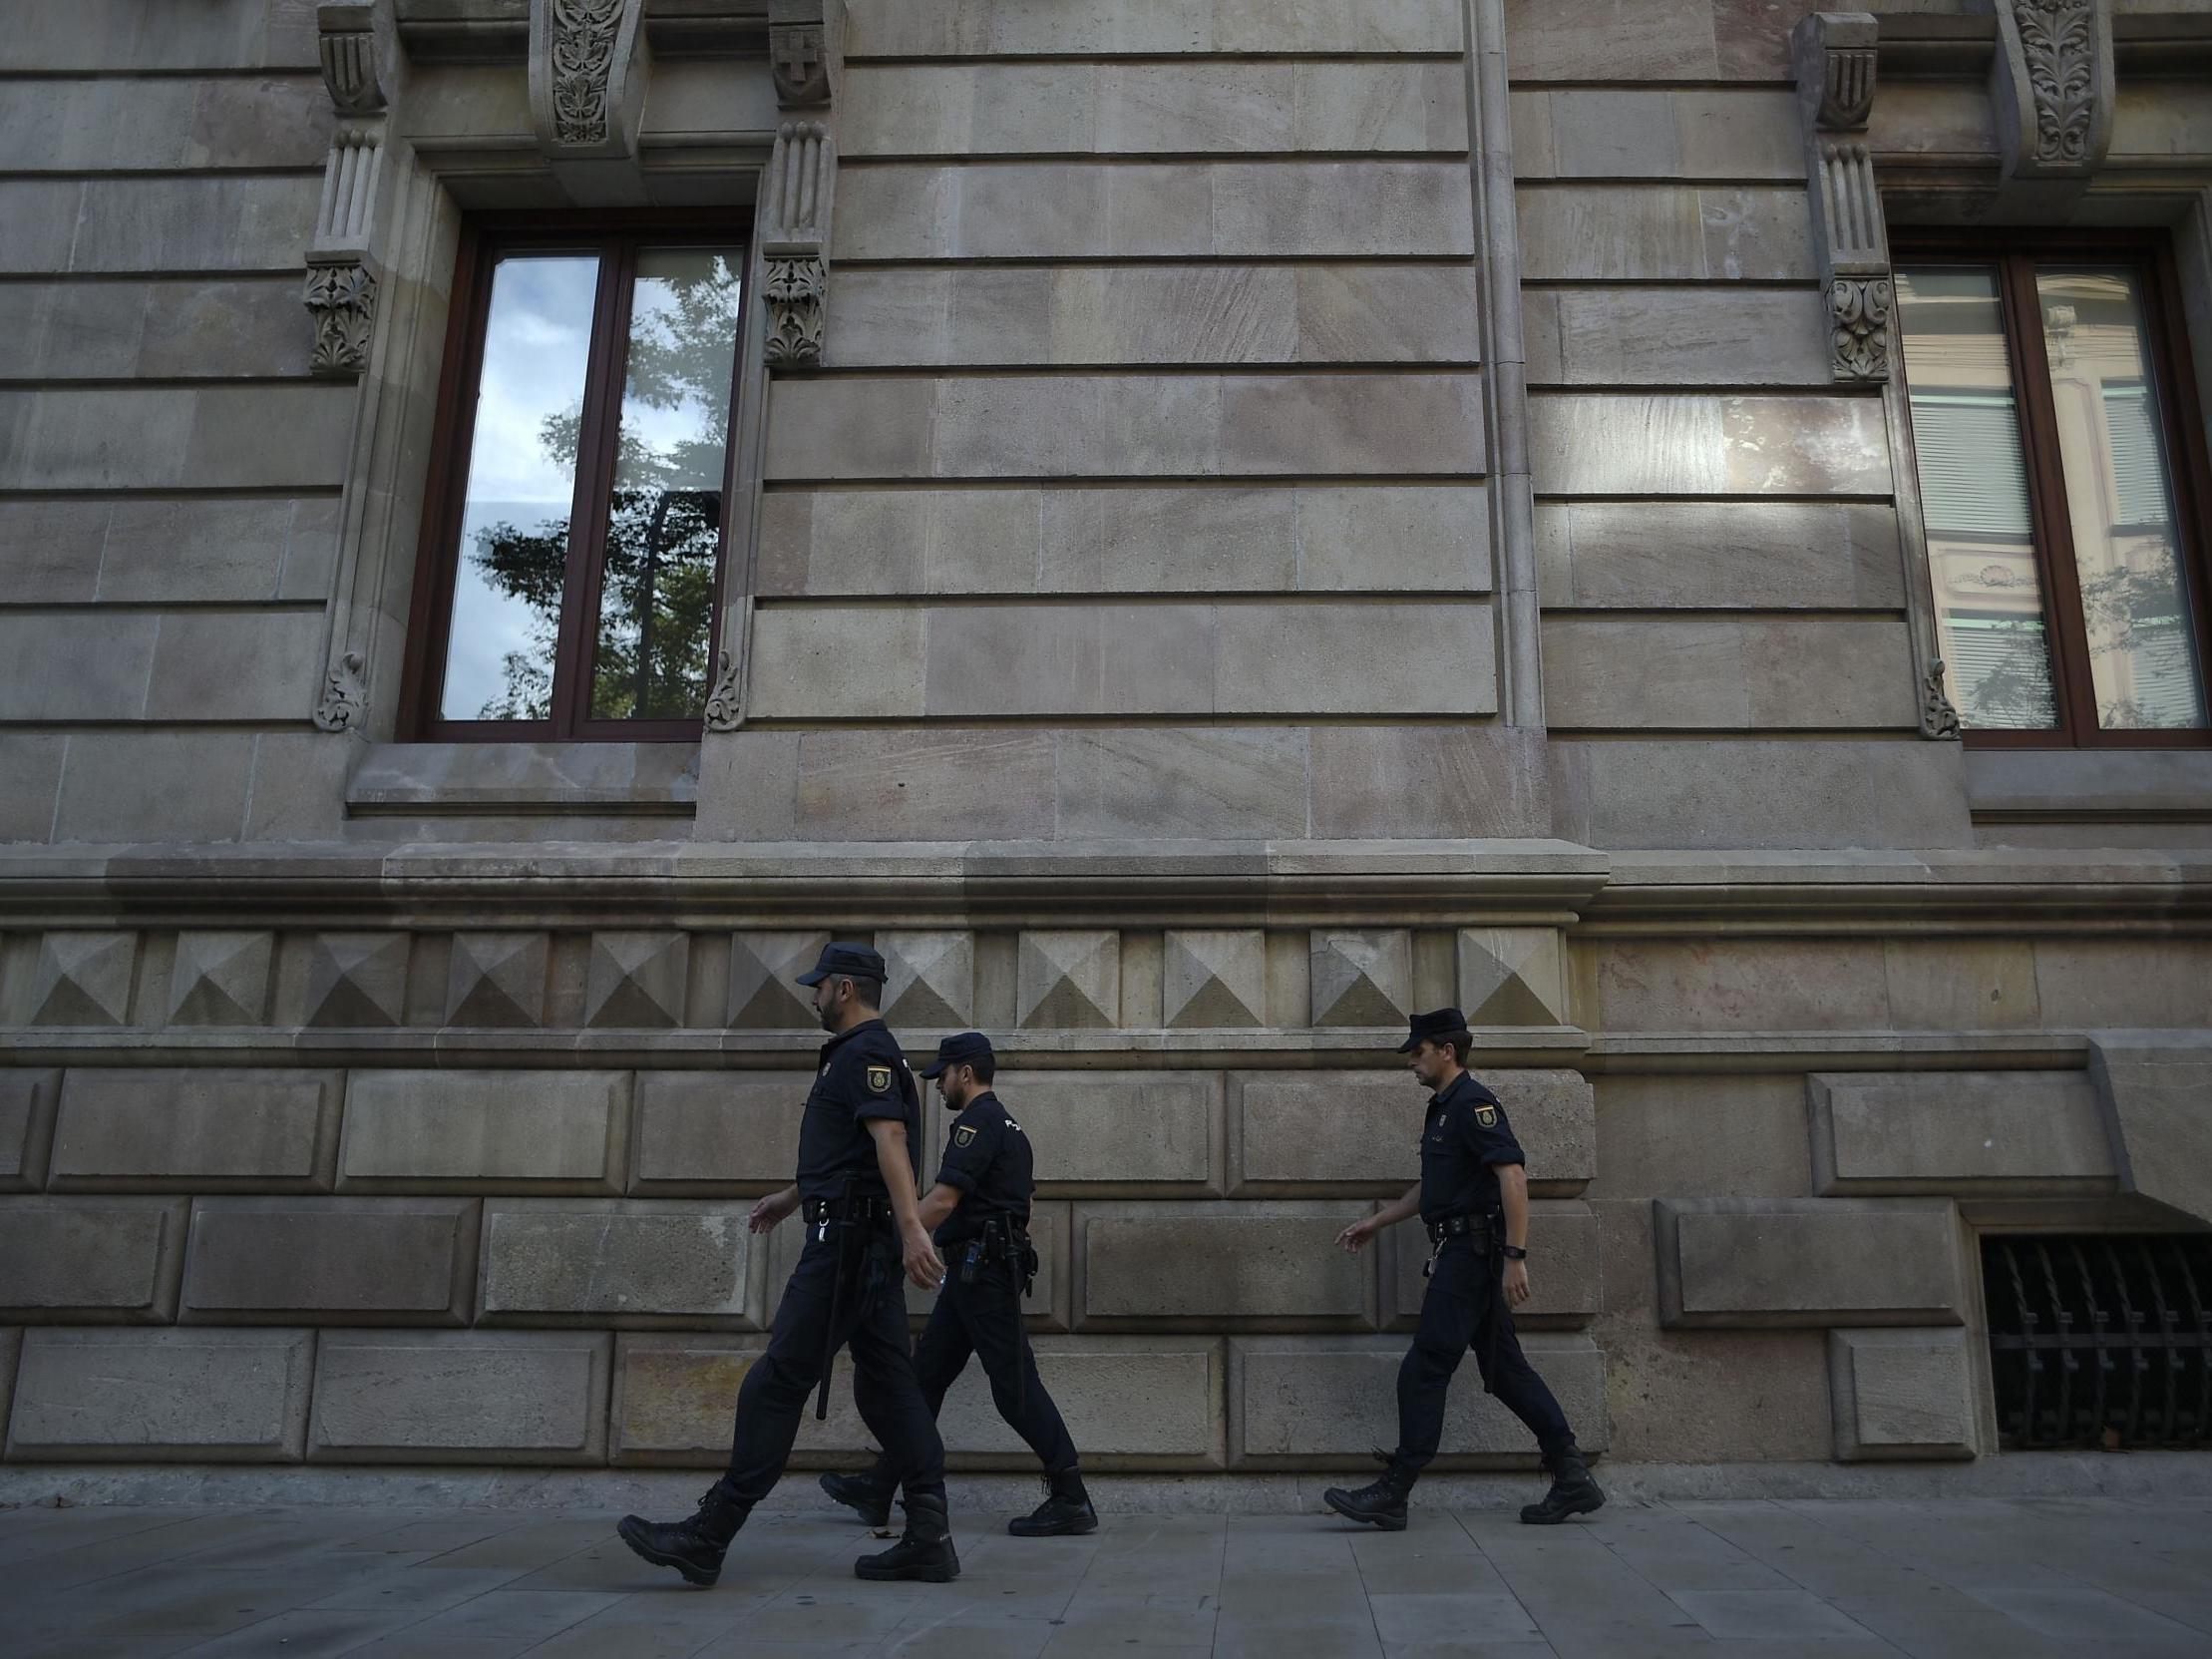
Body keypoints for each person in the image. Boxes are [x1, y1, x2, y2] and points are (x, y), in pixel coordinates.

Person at [616, 942, 959, 1585]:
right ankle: (928, 1535)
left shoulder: (866, 1053)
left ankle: (709, 1534)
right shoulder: (863, 1055)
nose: (814, 996)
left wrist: (913, 1230)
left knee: (774, 1385)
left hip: (847, 1253)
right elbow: (854, 1154)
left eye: (819, 986)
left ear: (845, 988)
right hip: (859, 1246)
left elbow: (890, 1143)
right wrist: (792, 1195)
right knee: (889, 1392)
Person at [1323, 1008, 1605, 1530]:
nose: (1412, 1061)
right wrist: (1378, 1222)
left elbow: (1513, 1176)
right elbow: (1437, 1188)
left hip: (1471, 1256)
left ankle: (1396, 1490)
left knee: (1425, 1367)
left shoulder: (1473, 1102)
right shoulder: (1444, 1109)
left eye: (1418, 1050)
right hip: (1463, 1251)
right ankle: (1571, 1476)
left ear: (1445, 1050)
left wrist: (1514, 1258)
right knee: (1505, 1372)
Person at [819, 1032, 1097, 1538]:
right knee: (924, 1378)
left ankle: (1070, 1495)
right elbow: (1024, 1204)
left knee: (1015, 1388)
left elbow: (944, 1200)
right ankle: (882, 1484)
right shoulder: (1011, 1125)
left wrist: (893, 1239)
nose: (940, 1086)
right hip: (976, 1271)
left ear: (965, 1073)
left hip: (980, 1273)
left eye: (943, 1076)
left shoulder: (976, 1122)